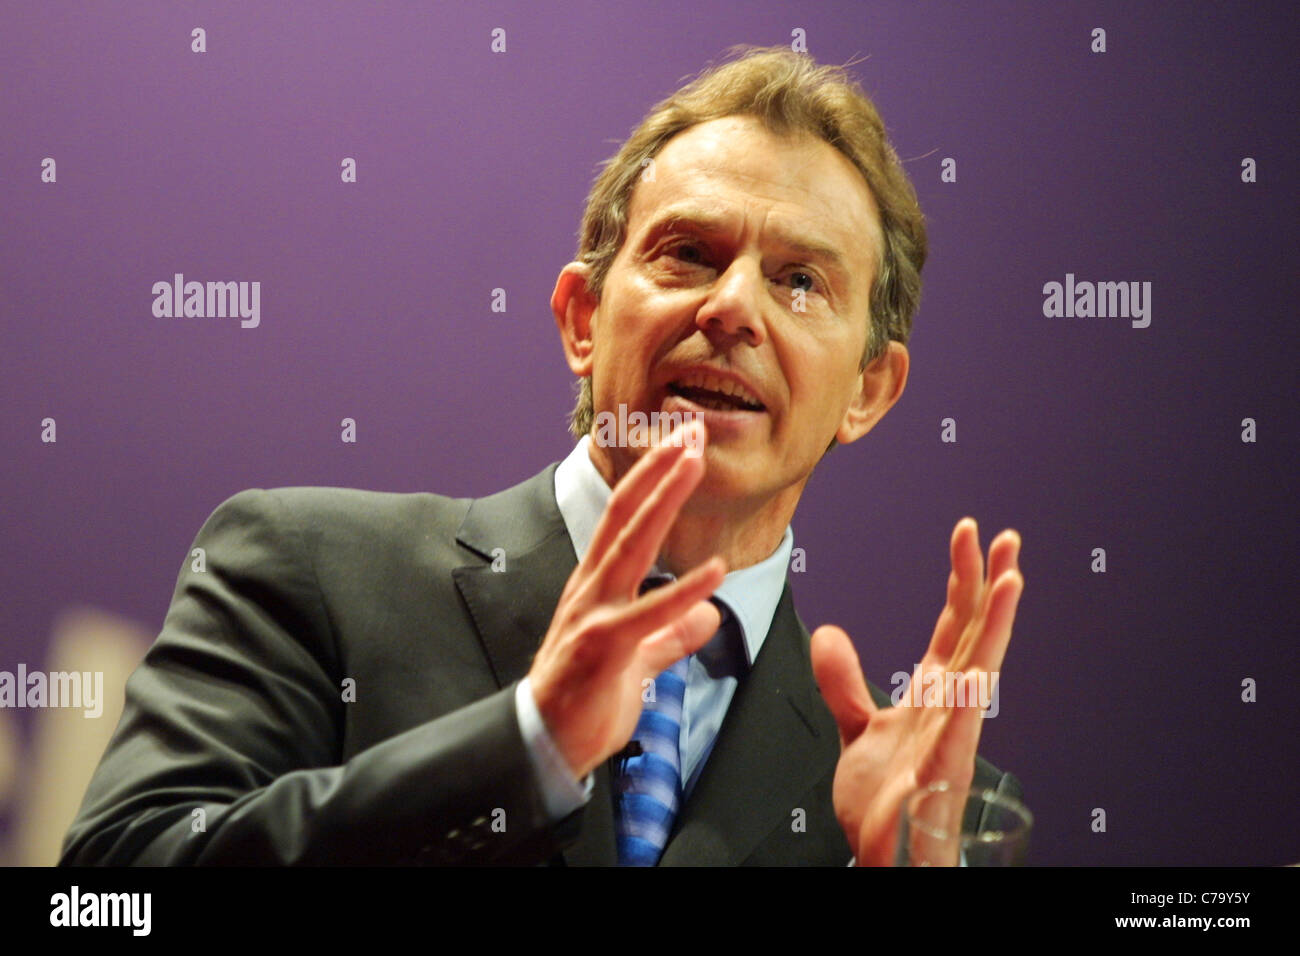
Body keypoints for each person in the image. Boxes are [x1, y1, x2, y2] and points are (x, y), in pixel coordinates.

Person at [60, 46, 1024, 867]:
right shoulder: (309, 569)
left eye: (801, 281)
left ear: (868, 389)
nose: (732, 308)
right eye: (688, 253)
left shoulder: (918, 800)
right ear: (580, 320)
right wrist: (524, 750)